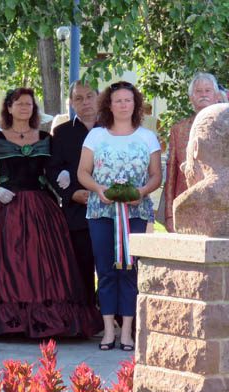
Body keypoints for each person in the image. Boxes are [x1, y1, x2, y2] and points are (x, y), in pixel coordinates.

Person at [0, 88, 100, 339]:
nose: (25, 107)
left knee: (45, 264)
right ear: (8, 108)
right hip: (8, 208)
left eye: (29, 104)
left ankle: (52, 320)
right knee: (10, 262)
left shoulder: (46, 137)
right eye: (19, 103)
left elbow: (56, 167)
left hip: (42, 208)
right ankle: (10, 321)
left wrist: (63, 175)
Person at [77, 81, 162, 351]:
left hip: (136, 212)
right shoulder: (96, 136)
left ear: (135, 104)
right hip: (101, 212)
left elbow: (156, 175)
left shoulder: (147, 137)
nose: (124, 105)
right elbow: (83, 173)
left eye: (128, 100)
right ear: (109, 105)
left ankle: (127, 331)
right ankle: (107, 331)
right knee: (105, 270)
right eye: (118, 101)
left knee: (129, 269)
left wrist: (142, 191)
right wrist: (98, 189)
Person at [49, 81, 100, 307]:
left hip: (113, 211)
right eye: (79, 98)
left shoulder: (113, 129)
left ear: (99, 98)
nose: (85, 102)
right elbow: (52, 171)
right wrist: (72, 193)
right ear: (71, 103)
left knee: (114, 266)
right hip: (78, 212)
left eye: (89, 96)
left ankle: (116, 315)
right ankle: (87, 316)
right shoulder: (61, 133)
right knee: (81, 267)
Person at [163, 72, 221, 232]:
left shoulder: (227, 128)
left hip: (219, 207)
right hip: (186, 206)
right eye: (198, 91)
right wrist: (169, 214)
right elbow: (171, 175)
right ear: (191, 98)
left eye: (207, 90)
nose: (203, 95)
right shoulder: (178, 130)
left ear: (217, 96)